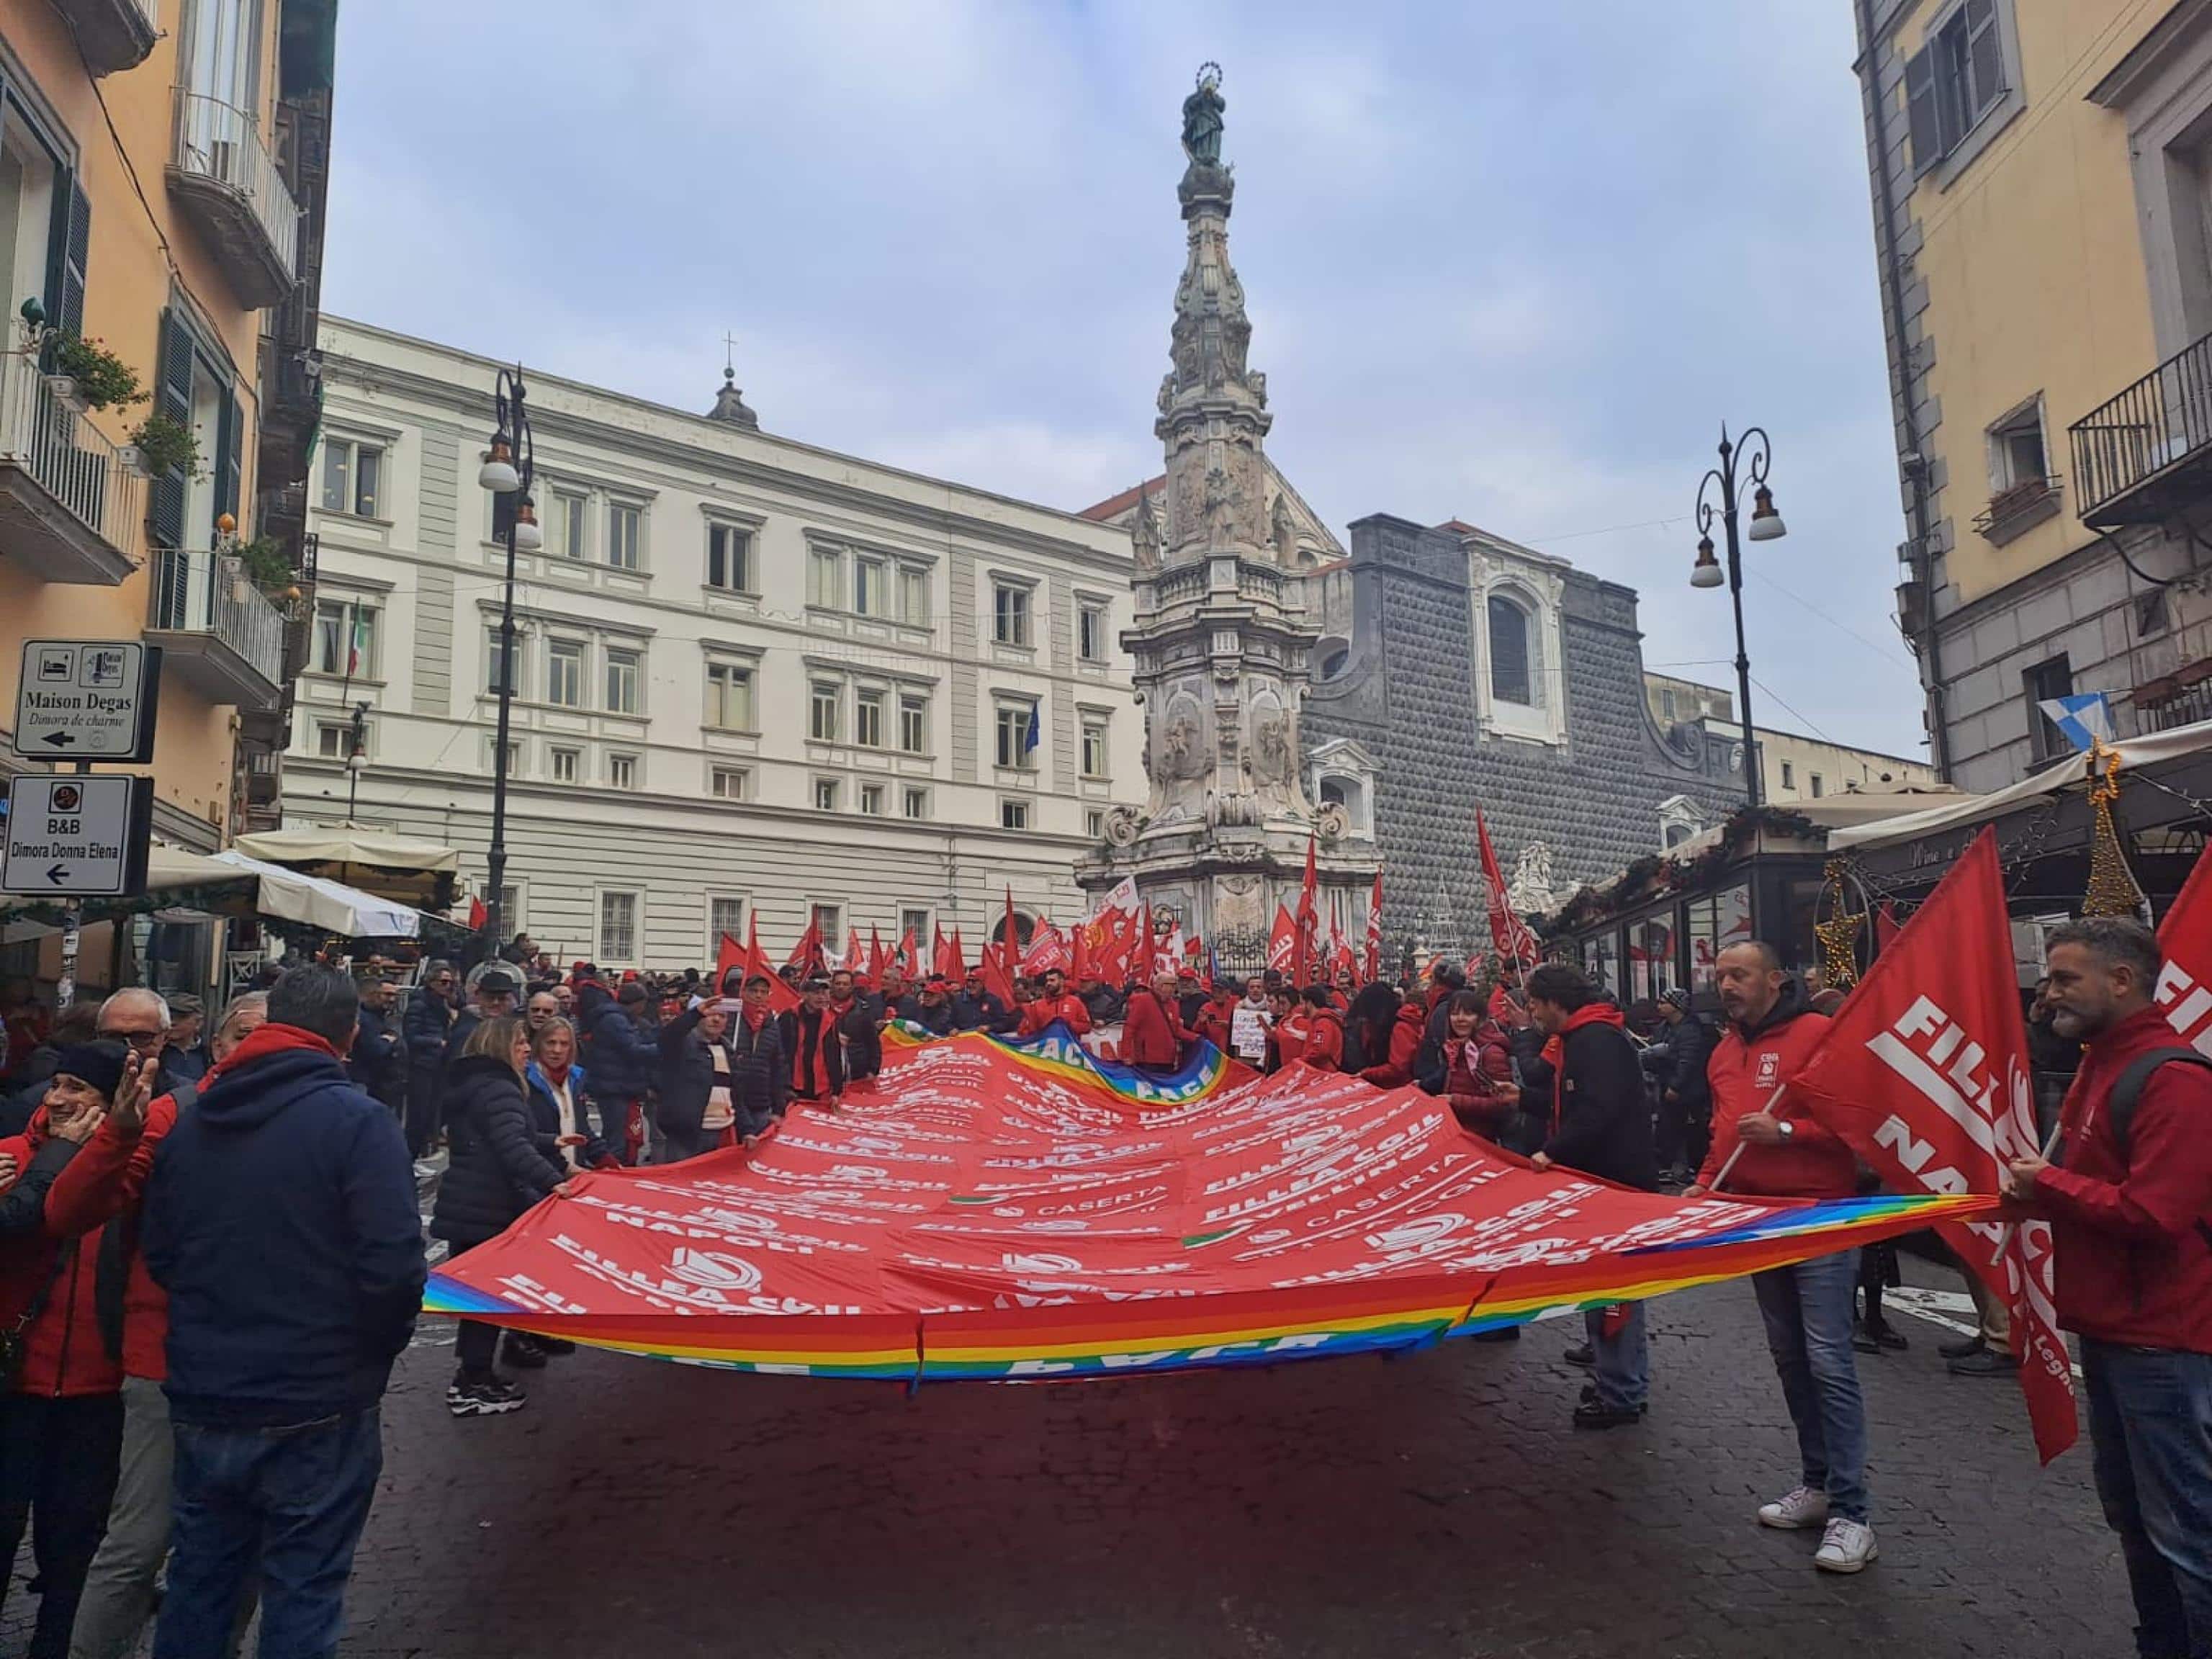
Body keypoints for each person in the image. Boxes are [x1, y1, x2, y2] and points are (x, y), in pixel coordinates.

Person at [141, 966, 426, 1655]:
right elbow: (392, 1269)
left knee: (199, 1586)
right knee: (303, 1592)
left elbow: (160, 1252)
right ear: (349, 1035)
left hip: (208, 1390)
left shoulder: (193, 1118)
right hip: (317, 1397)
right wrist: (367, 1358)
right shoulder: (358, 1122)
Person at [2000, 917, 2212, 1658]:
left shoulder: (2171, 1079)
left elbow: (2158, 1212)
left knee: (2187, 1530)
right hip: (2117, 1331)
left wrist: (2048, 1184)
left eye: (2063, 979)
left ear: (2121, 982)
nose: (2047, 993)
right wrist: (2045, 1191)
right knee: (2135, 1516)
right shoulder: (2101, 1064)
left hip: (2165, 1339)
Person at [51, 995, 267, 1659]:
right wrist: (116, 1135)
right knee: (138, 1541)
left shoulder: (312, 1122)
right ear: (215, 1045)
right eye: (242, 1036)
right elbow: (81, 1209)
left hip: (260, 1368)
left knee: (240, 1543)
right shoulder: (172, 1115)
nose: (253, 1049)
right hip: (165, 1361)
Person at [1685, 940, 1872, 1574]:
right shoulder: (1722, 1050)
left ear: (1774, 979)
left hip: (1818, 1216)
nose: (1727, 985)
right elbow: (1725, 1130)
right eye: (1720, 976)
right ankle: (1817, 1486)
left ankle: (1853, 1513)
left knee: (1827, 1361)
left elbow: (1859, 1122)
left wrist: (1788, 1132)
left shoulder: (1819, 1033)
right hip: (1760, 1221)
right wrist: (1706, 1183)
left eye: (1739, 974)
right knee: (1791, 1357)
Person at [0, 1043, 135, 1658]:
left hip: (97, 1390)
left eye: (77, 1087)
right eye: (56, 1084)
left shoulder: (135, 1171)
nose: (57, 1099)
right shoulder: (9, 1159)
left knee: (74, 1540)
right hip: (14, 1382)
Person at [1524, 963, 1656, 1429]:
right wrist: (1517, 1098)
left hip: (1613, 1181)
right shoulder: (1586, 1038)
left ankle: (1620, 1392)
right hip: (1604, 1178)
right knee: (1612, 1288)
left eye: (1536, 1003)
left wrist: (1549, 1151)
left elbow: (1596, 1112)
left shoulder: (1595, 1041)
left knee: (1615, 1288)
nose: (1533, 1013)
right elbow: (1572, 1105)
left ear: (1555, 1001)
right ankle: (1618, 1378)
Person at [428, 1016, 559, 1416]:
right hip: (485, 1208)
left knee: (481, 1302)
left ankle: (475, 1374)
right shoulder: (501, 1089)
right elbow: (511, 1149)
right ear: (503, 1045)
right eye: (521, 1042)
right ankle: (472, 1383)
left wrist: (551, 1141)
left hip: (470, 1205)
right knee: (487, 1303)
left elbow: (500, 1136)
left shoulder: (478, 1086)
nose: (527, 1048)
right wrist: (557, 1181)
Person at [1423, 989, 1526, 1148]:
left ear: (1480, 1018)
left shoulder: (1490, 1052)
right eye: (1455, 1014)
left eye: (1468, 1014)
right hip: (1460, 1136)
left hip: (1483, 1142)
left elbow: (1503, 1104)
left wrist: (1454, 1100)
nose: (1461, 1019)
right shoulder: (1455, 1049)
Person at [575, 979, 657, 1164]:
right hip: (614, 1085)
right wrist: (660, 1049)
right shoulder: (616, 1020)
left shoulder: (615, 1018)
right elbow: (633, 1050)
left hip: (615, 1084)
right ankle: (611, 1170)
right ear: (638, 1003)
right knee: (616, 1138)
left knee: (617, 1134)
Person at [1644, 987, 1712, 1185]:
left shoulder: (1690, 1030)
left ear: (1676, 1007)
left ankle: (1687, 1167)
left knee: (1687, 1130)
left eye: (1664, 1002)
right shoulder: (1665, 1028)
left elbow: (1688, 1061)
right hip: (1667, 1086)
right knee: (1670, 1129)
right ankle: (1674, 1165)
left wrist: (1676, 1086)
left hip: (1688, 1092)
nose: (1659, 1006)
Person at [523, 1018, 606, 1177]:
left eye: (564, 1044)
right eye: (551, 1043)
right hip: (542, 1177)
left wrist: (606, 1160)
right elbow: (527, 1138)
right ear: (539, 1044)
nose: (557, 1050)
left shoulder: (576, 1079)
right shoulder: (526, 1081)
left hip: (574, 1173)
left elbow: (582, 1130)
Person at [401, 961, 457, 1159]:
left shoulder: (443, 1004)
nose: (448, 986)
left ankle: (423, 1152)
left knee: (433, 1112)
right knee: (419, 1115)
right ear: (431, 982)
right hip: (422, 1065)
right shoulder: (419, 1005)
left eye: (450, 982)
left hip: (438, 1065)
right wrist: (437, 1043)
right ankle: (409, 1156)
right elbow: (411, 1036)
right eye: (443, 982)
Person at [781, 979, 845, 1107]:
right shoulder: (789, 1017)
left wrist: (836, 1091)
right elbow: (781, 1054)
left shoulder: (831, 1020)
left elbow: (834, 1056)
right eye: (816, 993)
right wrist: (783, 1086)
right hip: (794, 1087)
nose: (821, 997)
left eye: (824, 993)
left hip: (820, 1088)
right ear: (804, 995)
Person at [349, 976, 404, 1115]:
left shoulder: (386, 1017)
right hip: (367, 1083)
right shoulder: (364, 1019)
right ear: (372, 994)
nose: (392, 1000)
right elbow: (375, 1050)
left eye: (395, 996)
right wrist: (387, 1042)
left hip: (388, 1084)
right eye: (387, 995)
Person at [1357, 982, 1426, 1087]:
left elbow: (1397, 1068)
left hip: (1399, 1088)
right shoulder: (1395, 1022)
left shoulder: (1400, 1027)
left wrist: (1366, 1073)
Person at [1123, 971, 1192, 1070]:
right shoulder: (1143, 1001)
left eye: (1174, 985)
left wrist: (1196, 1038)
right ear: (1159, 986)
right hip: (1147, 1059)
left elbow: (1176, 1029)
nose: (1174, 988)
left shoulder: (1174, 1005)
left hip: (1168, 1059)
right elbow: (1130, 1028)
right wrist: (1127, 1054)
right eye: (1171, 985)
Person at [1017, 969, 1092, 1038]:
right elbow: (1023, 1031)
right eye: (1047, 981)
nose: (1048, 983)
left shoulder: (1075, 1002)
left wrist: (1067, 1025)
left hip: (1069, 1050)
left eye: (1052, 980)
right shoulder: (1037, 1005)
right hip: (1045, 1050)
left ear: (1062, 981)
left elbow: (1086, 1027)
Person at [156, 997, 208, 1087]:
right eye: (168, 1017)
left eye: (181, 1017)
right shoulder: (156, 1051)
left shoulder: (210, 1054)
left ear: (198, 1023)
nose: (172, 1022)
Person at [1300, 984, 1346, 1071]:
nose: (1300, 1007)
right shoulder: (1320, 1020)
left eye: (1302, 1003)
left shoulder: (1323, 1022)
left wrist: (1302, 1061)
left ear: (1309, 1003)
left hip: (1323, 1073)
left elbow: (1321, 1050)